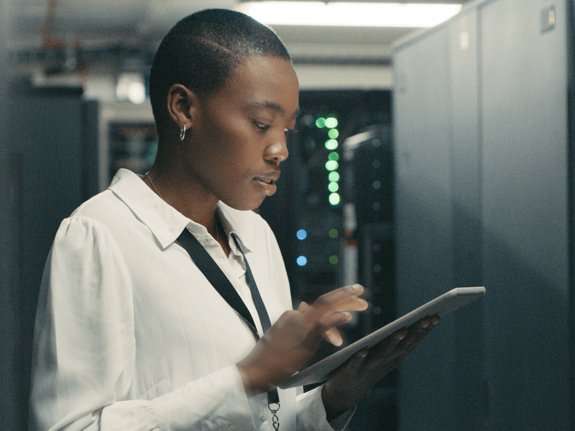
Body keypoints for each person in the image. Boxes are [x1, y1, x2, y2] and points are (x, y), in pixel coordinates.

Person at [29, 8, 438, 431]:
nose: (279, 149)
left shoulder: (255, 233)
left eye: (288, 128)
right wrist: (246, 377)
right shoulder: (100, 235)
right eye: (262, 124)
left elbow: (269, 417)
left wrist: (331, 400)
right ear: (183, 108)